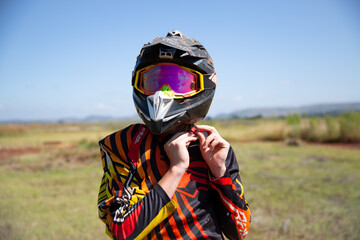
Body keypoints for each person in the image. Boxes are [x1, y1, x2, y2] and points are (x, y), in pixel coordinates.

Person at [97, 30, 251, 240]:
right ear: (138, 84)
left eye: (177, 84)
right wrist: (177, 169)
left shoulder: (213, 147)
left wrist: (219, 172)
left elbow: (239, 231)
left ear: (202, 86)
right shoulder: (123, 146)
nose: (162, 93)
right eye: (153, 82)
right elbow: (122, 231)